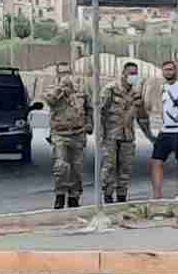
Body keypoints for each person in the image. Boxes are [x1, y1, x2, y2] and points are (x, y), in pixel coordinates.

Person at [96, 61, 150, 205]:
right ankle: (107, 196)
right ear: (123, 74)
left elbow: (142, 117)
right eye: (131, 73)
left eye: (136, 74)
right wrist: (100, 134)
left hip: (127, 136)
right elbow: (99, 112)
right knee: (109, 166)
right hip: (111, 136)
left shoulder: (136, 93)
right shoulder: (111, 89)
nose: (134, 76)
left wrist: (150, 135)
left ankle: (121, 198)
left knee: (125, 167)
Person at [147, 58, 178, 201]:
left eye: (170, 69)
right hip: (165, 130)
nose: (168, 72)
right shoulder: (163, 88)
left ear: (176, 71)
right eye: (165, 70)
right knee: (156, 161)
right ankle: (157, 195)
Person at [45, 68, 91, 208]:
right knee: (61, 165)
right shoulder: (53, 90)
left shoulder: (81, 92)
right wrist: (60, 90)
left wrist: (90, 123)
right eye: (63, 74)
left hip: (78, 134)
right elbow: (50, 101)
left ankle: (74, 196)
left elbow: (89, 108)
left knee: (76, 168)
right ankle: (60, 194)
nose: (67, 77)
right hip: (60, 134)